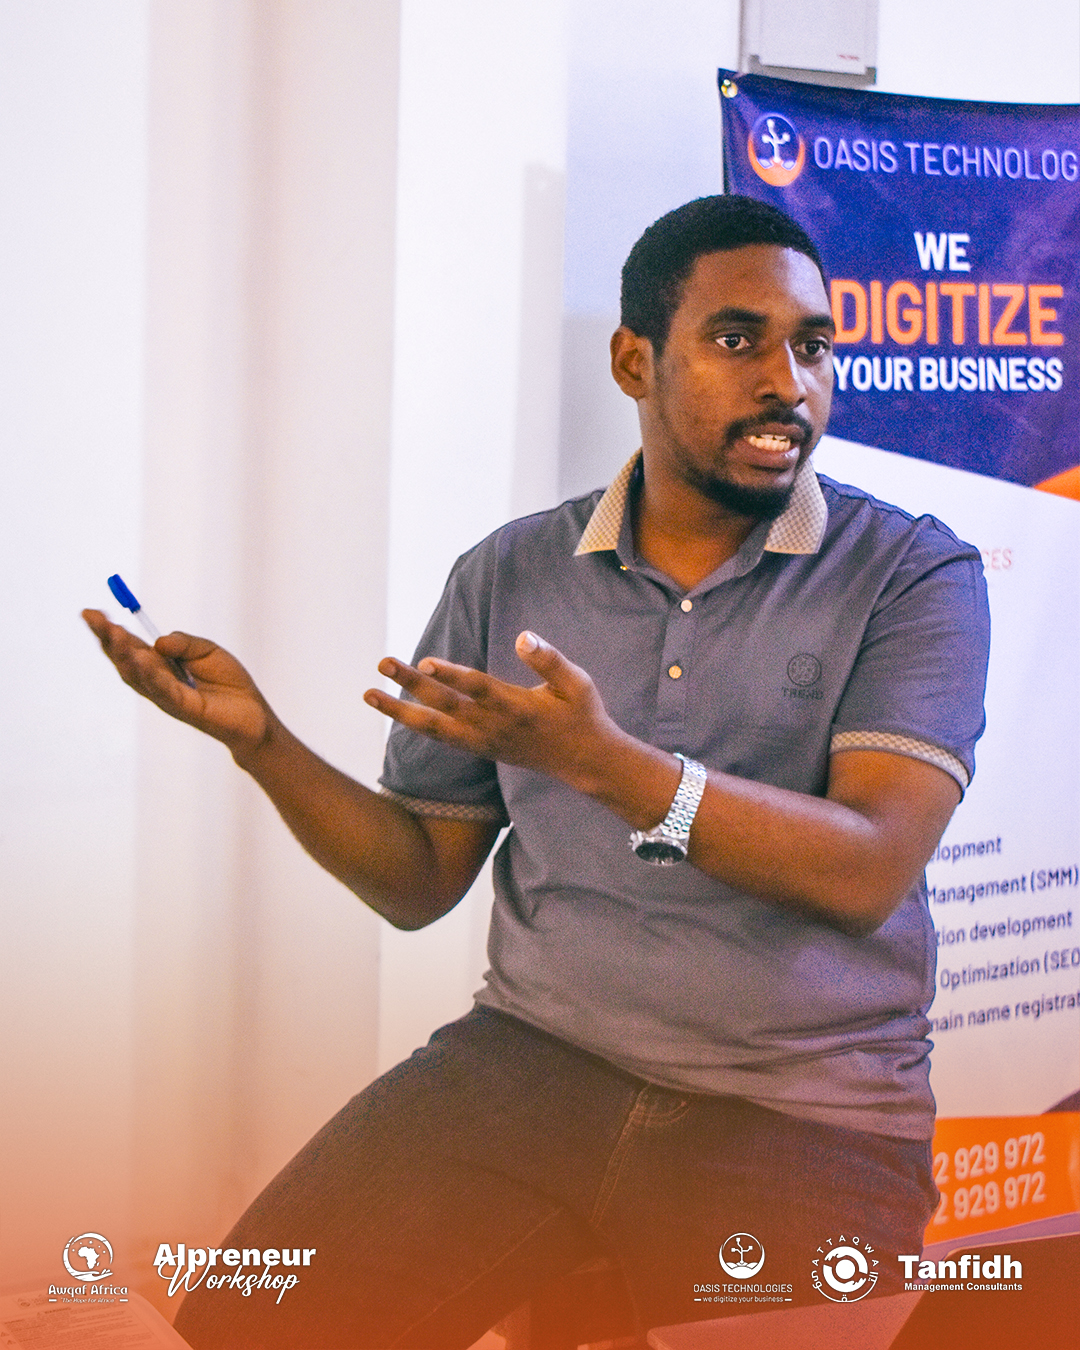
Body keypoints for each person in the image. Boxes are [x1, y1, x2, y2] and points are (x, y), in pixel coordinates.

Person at [84, 195, 990, 1349]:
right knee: (238, 1327)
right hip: (535, 1059)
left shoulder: (911, 572)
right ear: (633, 361)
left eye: (812, 346)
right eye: (737, 340)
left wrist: (609, 766)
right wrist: (260, 740)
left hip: (805, 1107)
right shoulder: (510, 572)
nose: (788, 382)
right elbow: (419, 878)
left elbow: (866, 870)